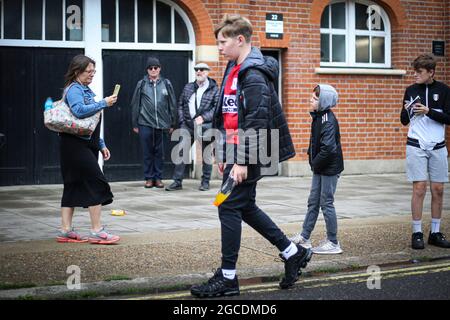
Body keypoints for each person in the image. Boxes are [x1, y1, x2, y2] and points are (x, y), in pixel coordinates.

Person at [190, 14, 312, 298]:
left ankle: (228, 278)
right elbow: (227, 114)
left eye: (223, 41)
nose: (219, 47)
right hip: (235, 149)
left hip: (251, 150)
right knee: (244, 207)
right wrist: (223, 151)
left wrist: (242, 160)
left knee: (228, 207)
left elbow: (257, 121)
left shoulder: (253, 73)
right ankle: (292, 252)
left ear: (240, 39)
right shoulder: (233, 66)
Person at [57, 54, 120, 245]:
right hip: (75, 146)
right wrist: (104, 103)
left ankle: (66, 231)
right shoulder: (75, 89)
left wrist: (100, 144)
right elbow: (78, 111)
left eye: (94, 71)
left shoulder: (84, 88)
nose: (92, 74)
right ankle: (96, 231)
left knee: (73, 185)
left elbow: (88, 123)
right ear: (77, 71)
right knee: (95, 181)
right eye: (88, 71)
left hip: (83, 143)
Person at [400, 53, 450, 250]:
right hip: (416, 145)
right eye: (414, 71)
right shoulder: (411, 90)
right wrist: (408, 110)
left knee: (438, 189)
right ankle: (417, 232)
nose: (415, 75)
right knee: (419, 188)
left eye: (419, 72)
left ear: (431, 72)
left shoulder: (444, 90)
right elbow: (403, 120)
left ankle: (435, 233)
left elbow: (449, 118)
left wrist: (429, 111)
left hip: (438, 146)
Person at [289, 85, 344, 254]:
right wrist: (312, 159)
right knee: (313, 201)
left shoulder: (328, 120)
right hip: (320, 167)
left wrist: (315, 163)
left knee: (326, 203)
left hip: (328, 168)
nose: (310, 100)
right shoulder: (319, 117)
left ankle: (333, 242)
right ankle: (305, 237)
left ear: (324, 102)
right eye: (311, 97)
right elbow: (316, 143)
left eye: (314, 98)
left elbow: (328, 149)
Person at [166, 63, 219, 191]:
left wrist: (204, 118)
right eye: (196, 70)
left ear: (207, 72)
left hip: (205, 126)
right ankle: (177, 181)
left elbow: (216, 108)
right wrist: (183, 120)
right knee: (181, 152)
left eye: (201, 70)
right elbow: (181, 104)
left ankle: (205, 182)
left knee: (206, 153)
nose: (198, 72)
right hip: (188, 125)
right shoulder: (189, 87)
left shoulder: (214, 89)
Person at [131, 57, 177, 189]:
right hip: (145, 123)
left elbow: (172, 104)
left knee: (159, 153)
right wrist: (135, 124)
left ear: (159, 69)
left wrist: (172, 123)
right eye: (150, 68)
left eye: (155, 68)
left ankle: (158, 178)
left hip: (163, 124)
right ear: (147, 70)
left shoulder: (166, 83)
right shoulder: (142, 84)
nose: (153, 70)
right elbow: (135, 104)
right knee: (147, 152)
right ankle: (149, 178)